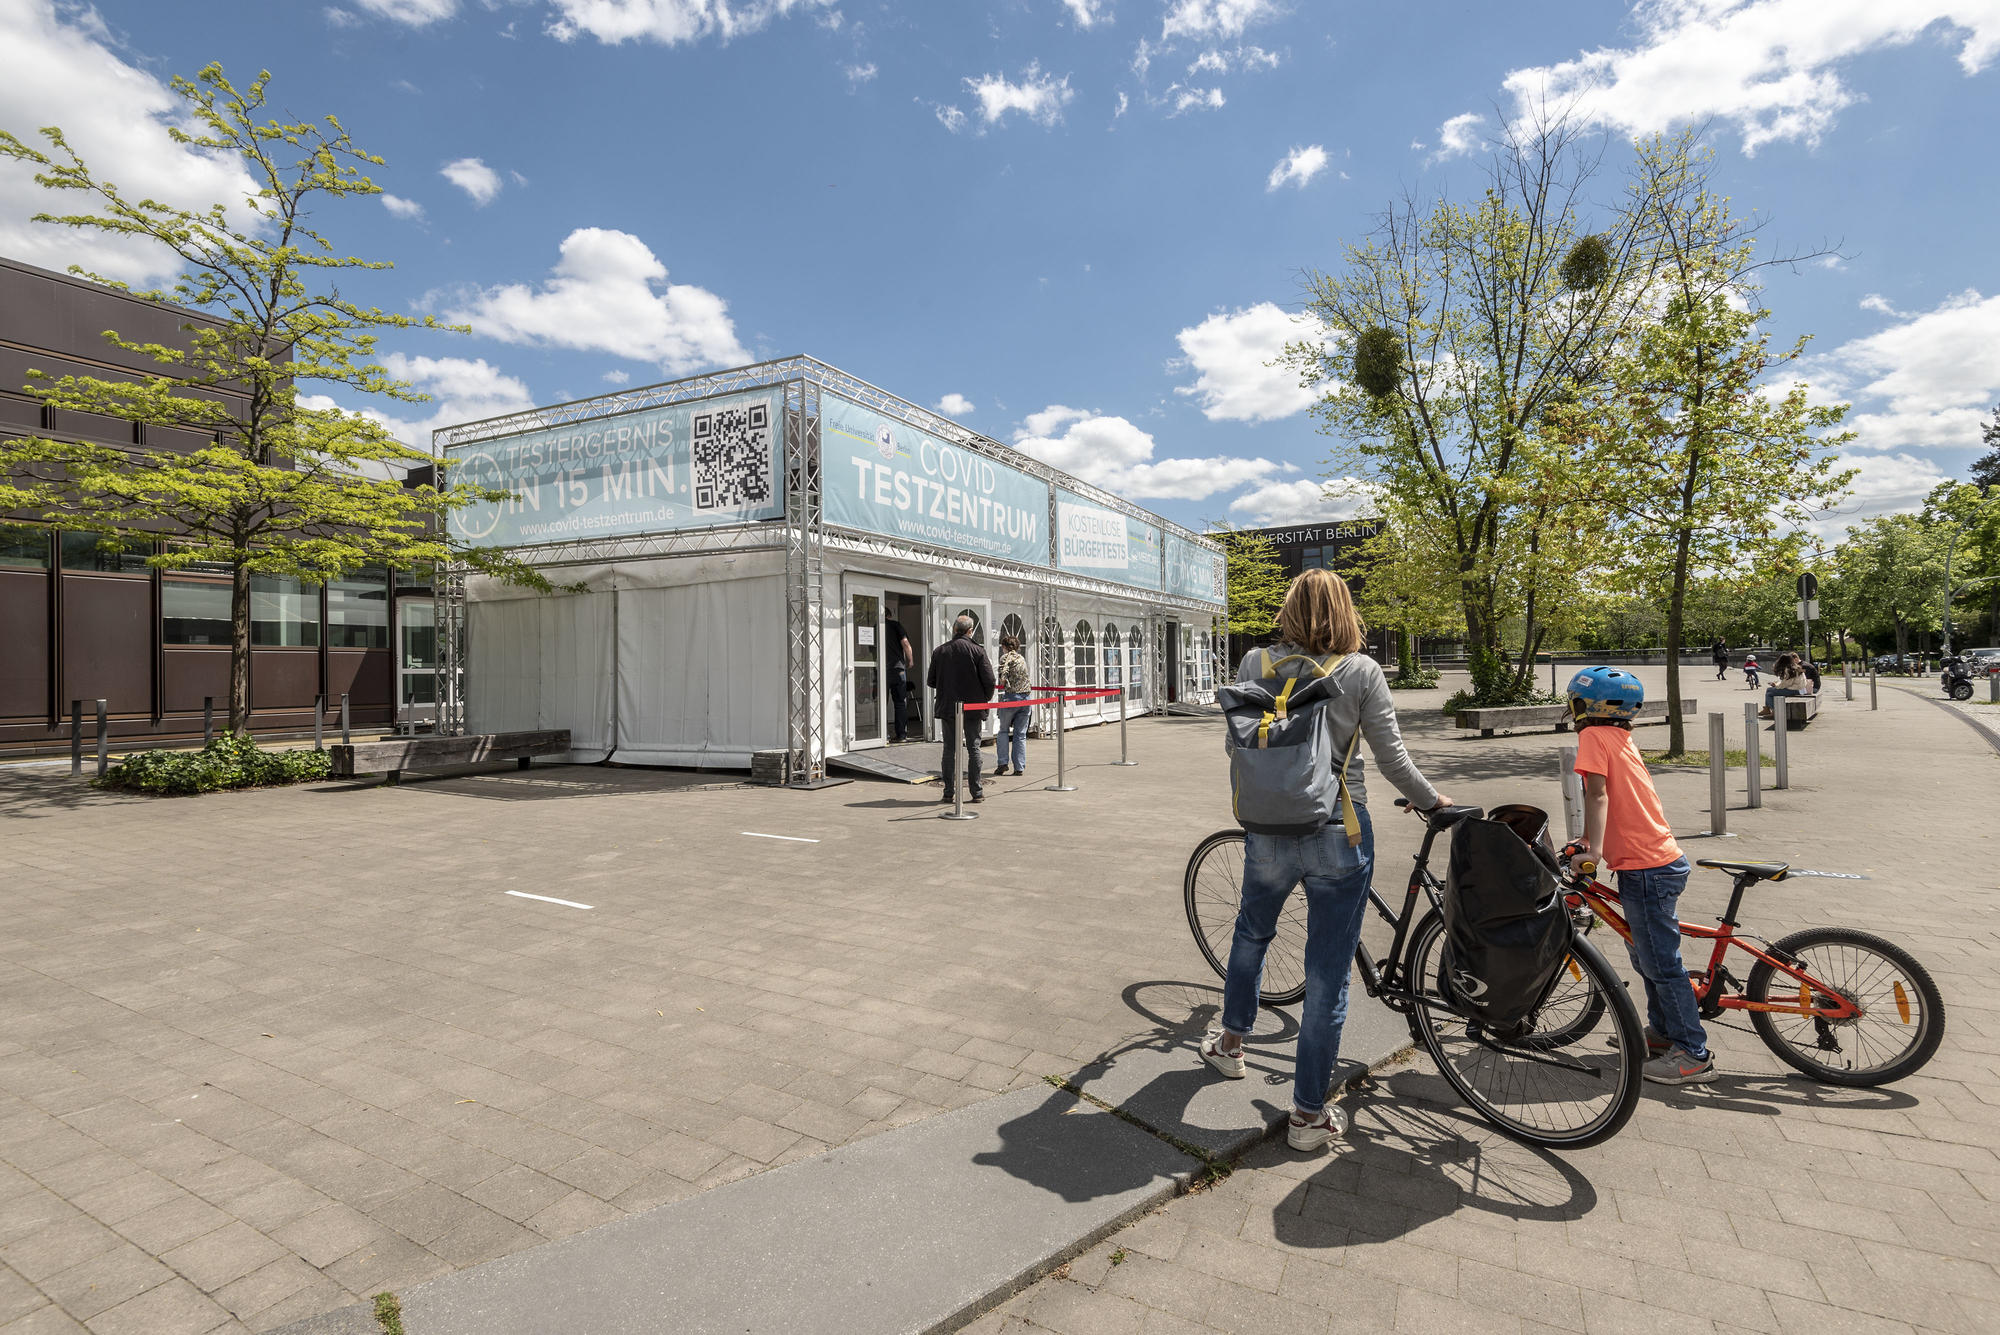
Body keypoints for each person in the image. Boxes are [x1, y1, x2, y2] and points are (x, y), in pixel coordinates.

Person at [1199, 569, 1450, 1151]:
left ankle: (1231, 1045)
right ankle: (1307, 1115)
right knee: (1327, 976)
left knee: (1251, 933)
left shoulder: (1254, 664)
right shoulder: (1360, 671)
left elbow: (1235, 746)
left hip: (1266, 829)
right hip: (1341, 831)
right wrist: (1434, 802)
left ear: (1288, 610)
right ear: (1346, 611)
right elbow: (1392, 758)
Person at [1567, 667, 1714, 1085]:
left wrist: (1593, 852)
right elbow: (1616, 799)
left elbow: (1598, 793)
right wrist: (1584, 839)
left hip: (1647, 869)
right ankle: (1664, 1034)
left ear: (1583, 705)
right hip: (1653, 863)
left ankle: (1693, 1054)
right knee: (1645, 956)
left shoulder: (1592, 736)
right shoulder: (1620, 735)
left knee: (1662, 964)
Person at [927, 615, 995, 803]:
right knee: (974, 748)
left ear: (955, 629)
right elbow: (990, 681)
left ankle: (948, 792)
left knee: (949, 749)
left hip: (948, 706)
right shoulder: (977, 651)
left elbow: (930, 680)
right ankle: (977, 792)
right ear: (970, 630)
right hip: (973, 707)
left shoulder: (939, 651)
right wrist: (984, 699)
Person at [993, 633, 1031, 777]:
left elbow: (1003, 679)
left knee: (1003, 731)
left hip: (1011, 698)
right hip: (1026, 698)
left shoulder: (1005, 658)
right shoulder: (1022, 658)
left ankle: (1003, 763)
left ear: (1004, 647)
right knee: (1020, 734)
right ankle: (1019, 767)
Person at [886, 619, 916, 742]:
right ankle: (901, 735)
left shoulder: (876, 626)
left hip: (882, 668)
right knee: (899, 702)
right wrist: (910, 660)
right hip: (897, 668)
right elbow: (905, 643)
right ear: (889, 615)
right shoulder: (895, 625)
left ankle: (882, 735)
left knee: (881, 703)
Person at [1760, 652, 1811, 719]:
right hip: (1801, 689)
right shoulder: (1796, 667)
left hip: (1796, 690)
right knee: (1770, 690)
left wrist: (1775, 685)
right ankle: (1767, 709)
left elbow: (1785, 684)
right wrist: (1777, 685)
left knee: (1769, 693)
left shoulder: (1789, 670)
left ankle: (1774, 711)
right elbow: (1787, 682)